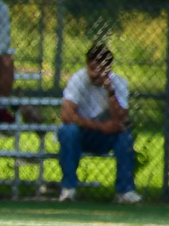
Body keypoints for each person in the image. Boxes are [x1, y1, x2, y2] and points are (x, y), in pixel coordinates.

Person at [57, 44, 139, 204]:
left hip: (105, 137)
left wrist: (110, 92)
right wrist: (100, 126)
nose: (96, 74)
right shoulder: (78, 80)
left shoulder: (119, 83)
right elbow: (67, 116)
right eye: (93, 68)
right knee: (68, 131)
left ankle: (125, 191)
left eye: (102, 69)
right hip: (81, 134)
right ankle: (68, 189)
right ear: (87, 65)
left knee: (125, 137)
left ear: (109, 67)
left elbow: (120, 120)